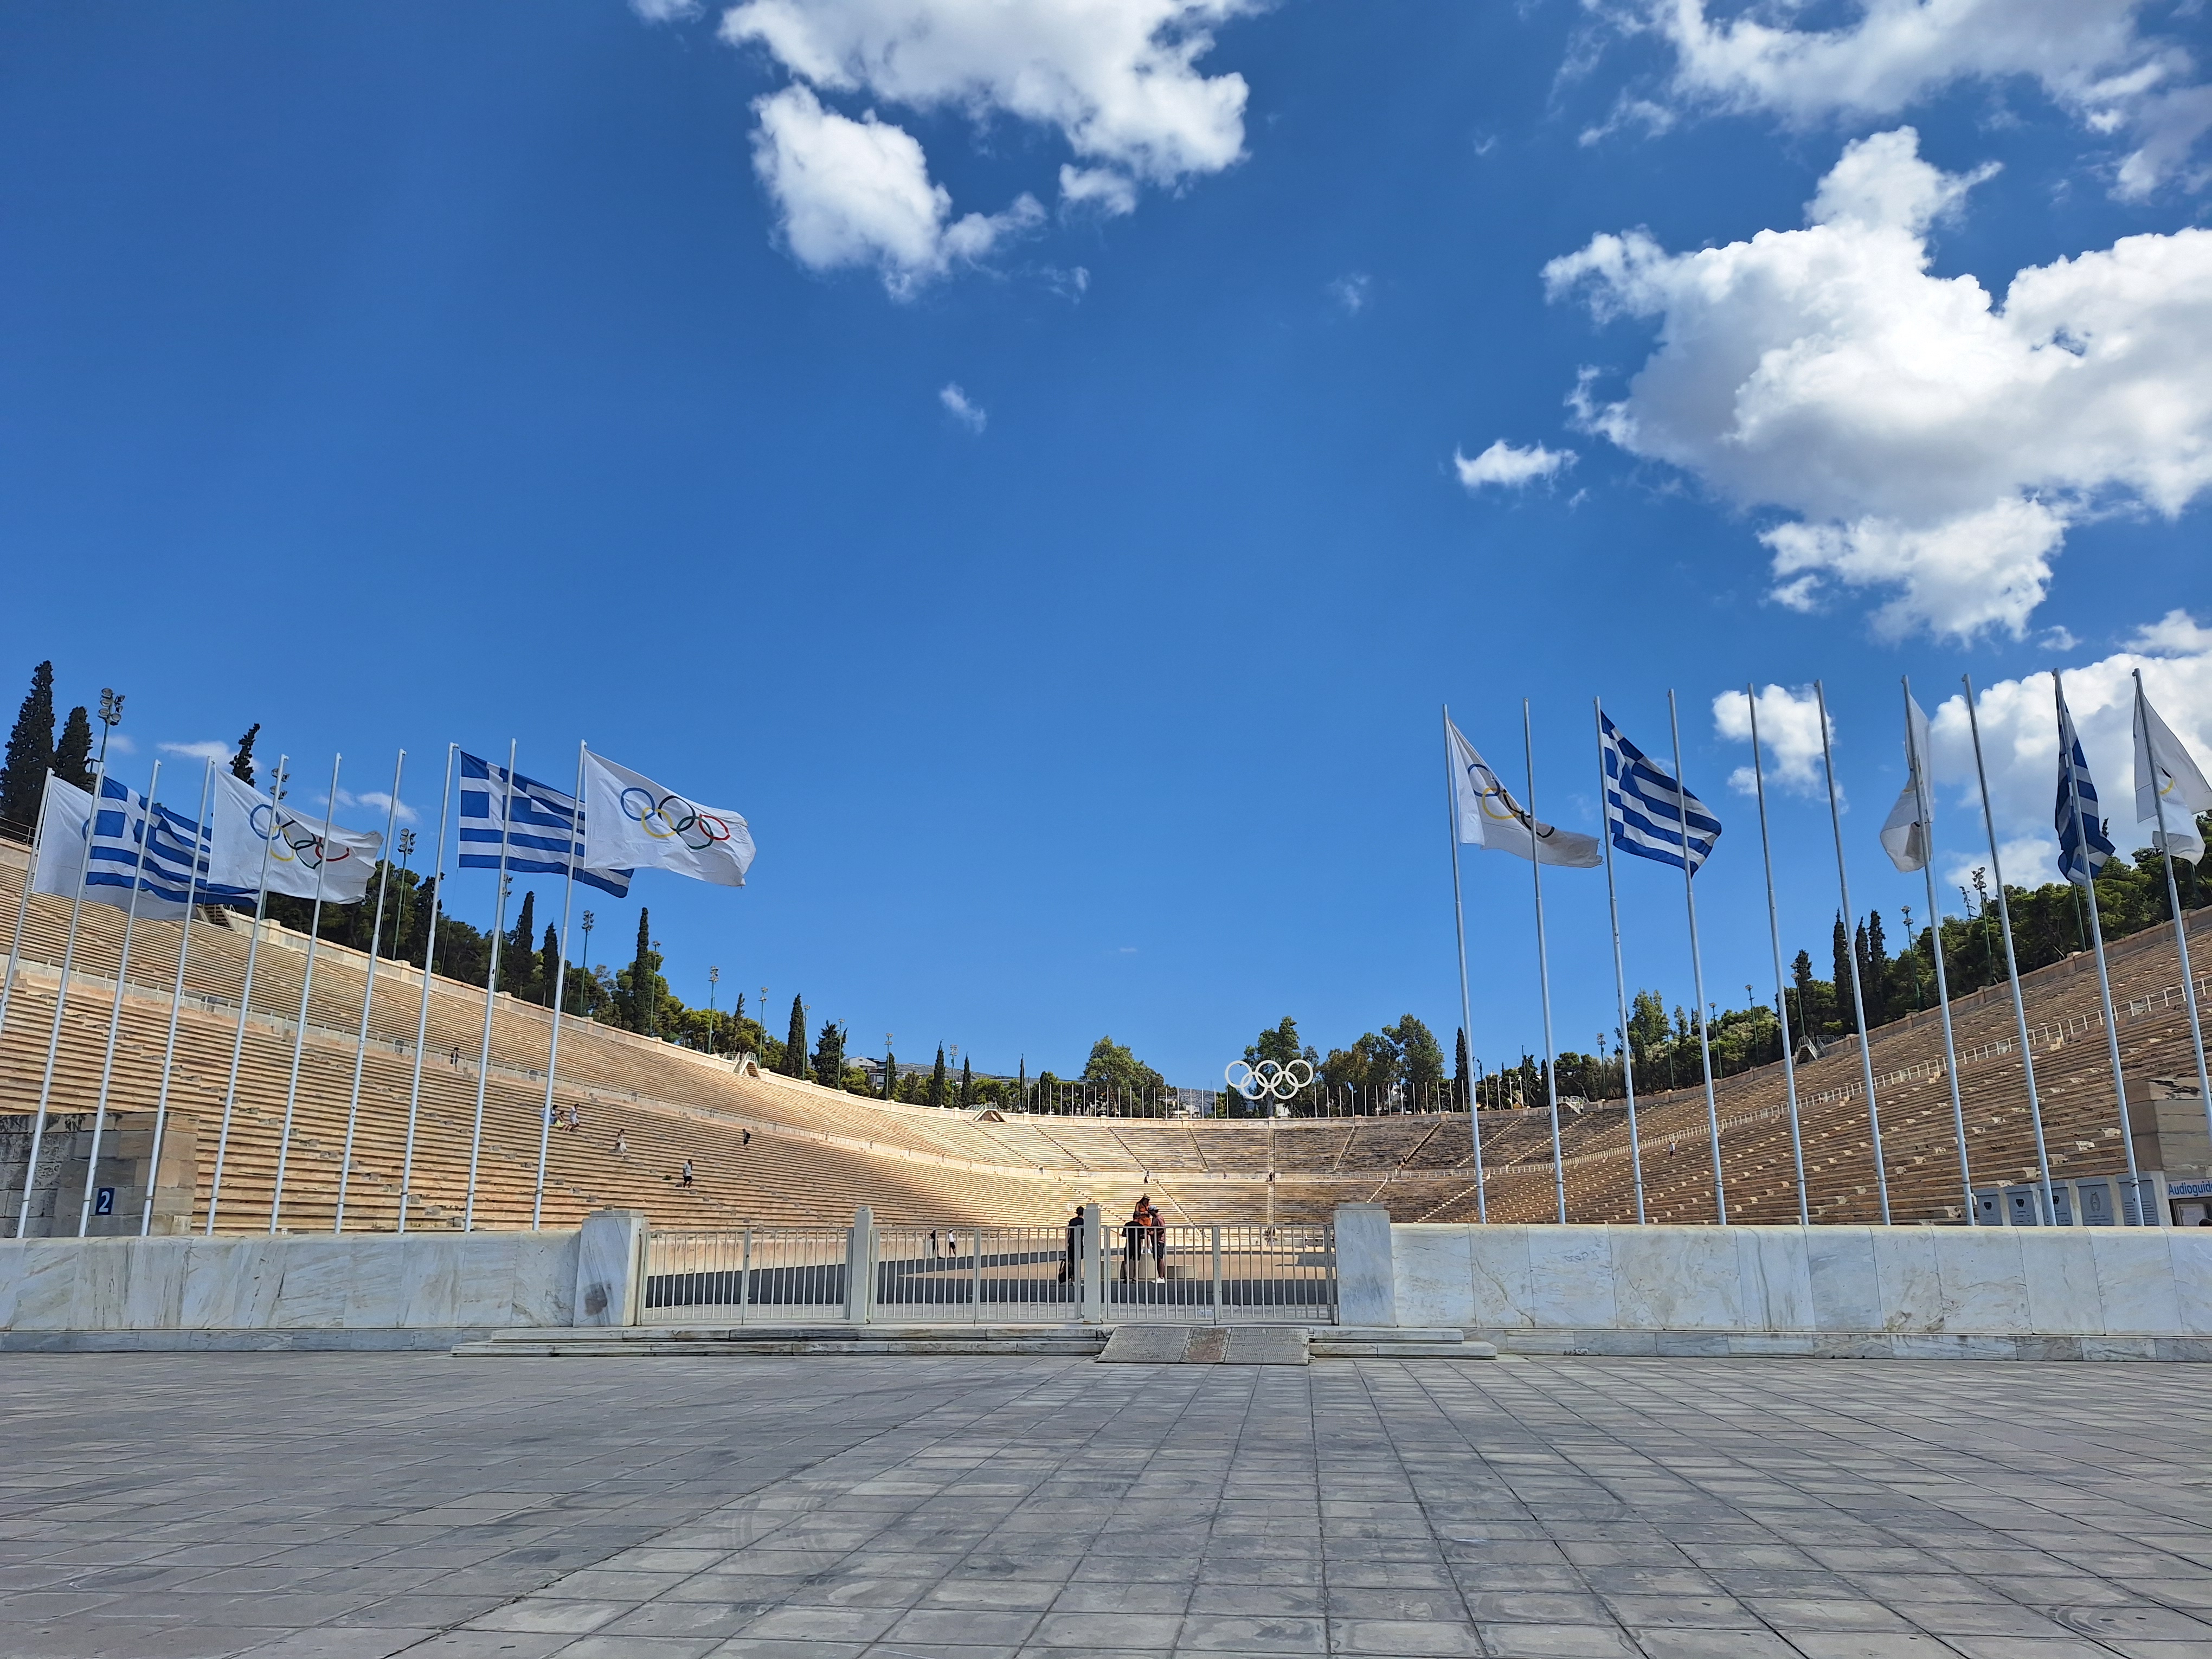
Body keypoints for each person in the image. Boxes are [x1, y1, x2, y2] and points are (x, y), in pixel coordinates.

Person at [1059, 1206, 1082, 1283]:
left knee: (1072, 1260)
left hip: (1072, 1242)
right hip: (1080, 1243)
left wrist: (1067, 1242)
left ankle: (1072, 1278)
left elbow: (1069, 1233)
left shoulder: (1072, 1221)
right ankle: (1075, 1279)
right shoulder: (1084, 1221)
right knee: (1077, 1260)